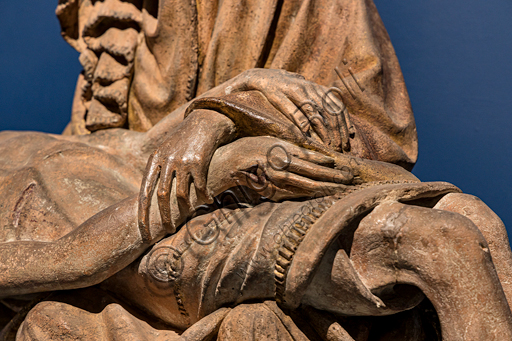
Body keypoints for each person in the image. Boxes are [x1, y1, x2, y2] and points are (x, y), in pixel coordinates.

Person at [1, 0, 512, 340]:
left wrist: (221, 113)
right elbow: (74, 257)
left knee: (467, 222)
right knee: (446, 240)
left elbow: (131, 148)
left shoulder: (30, 149)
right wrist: (219, 163)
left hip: (207, 206)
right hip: (167, 244)